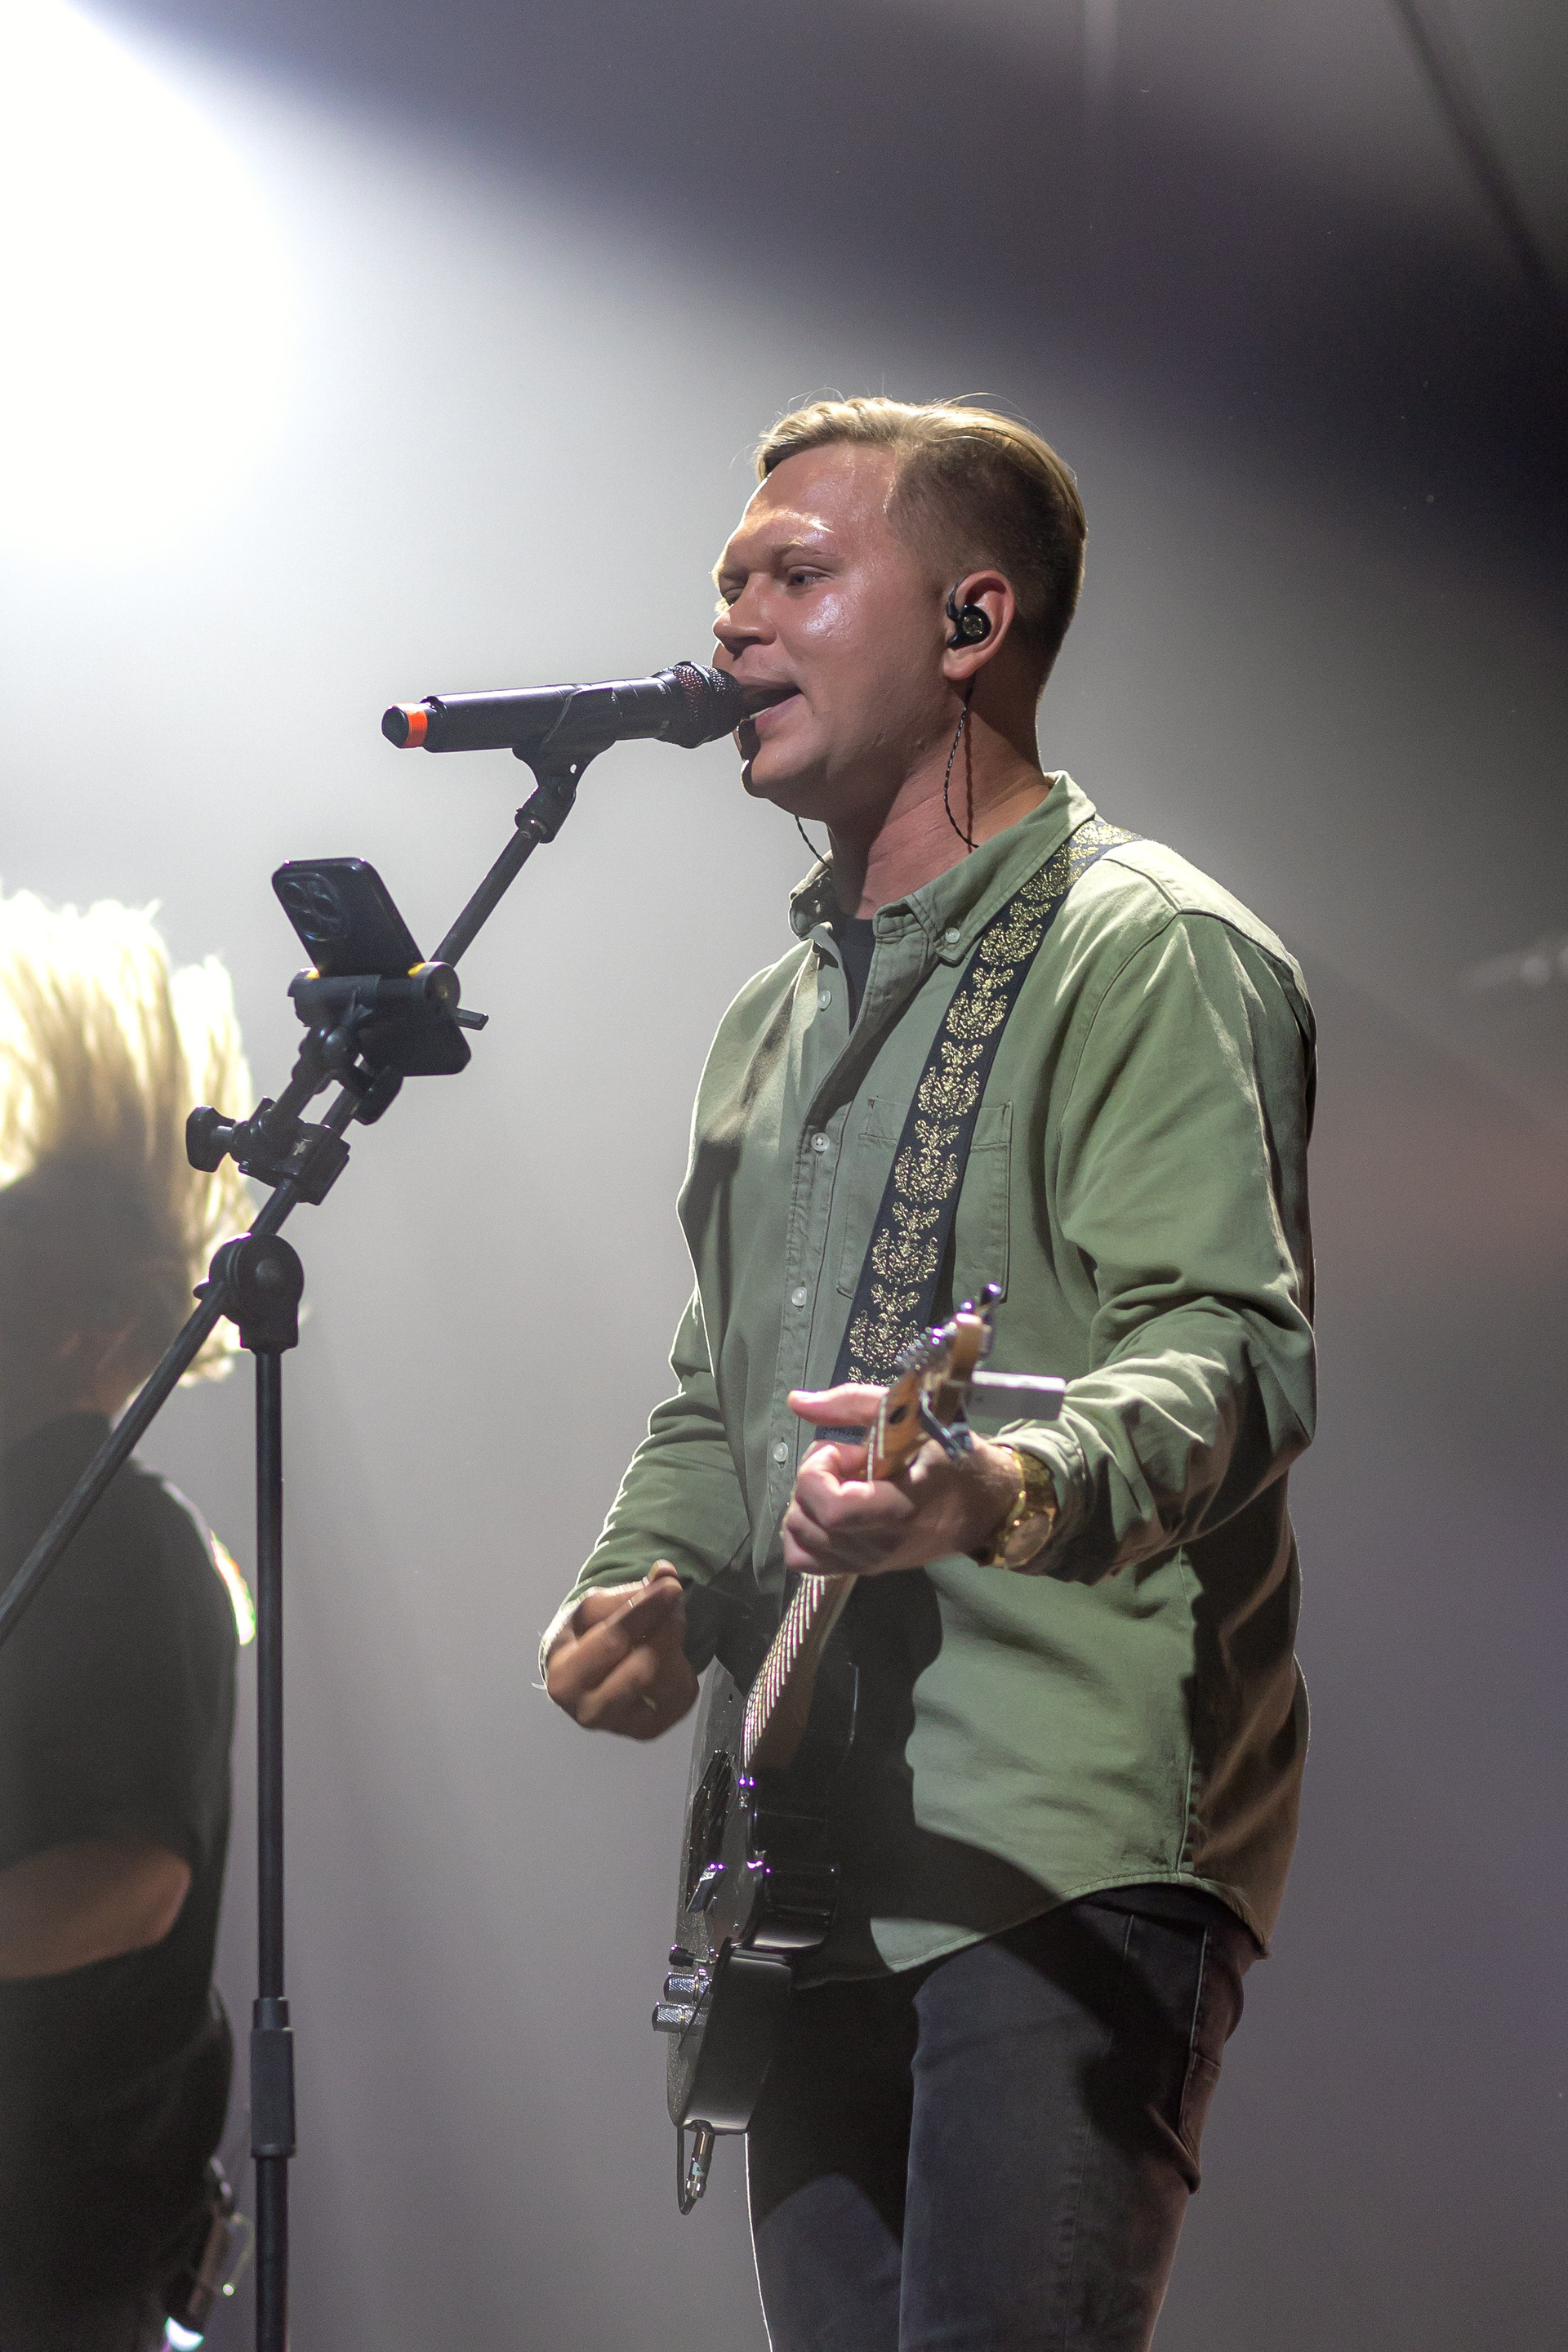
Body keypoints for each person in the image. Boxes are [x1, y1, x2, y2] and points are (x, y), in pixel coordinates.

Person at [542, 397, 1315, 2350]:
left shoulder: (1149, 951)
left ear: (973, 622)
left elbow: (1226, 1353)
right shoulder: (768, 1019)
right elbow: (717, 1391)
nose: (734, 622)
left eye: (797, 575)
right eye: (728, 581)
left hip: (1050, 1845)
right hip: (800, 1858)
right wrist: (645, 1586)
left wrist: (996, 1488)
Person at [0, 889, 253, 2351]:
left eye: (11, 1241)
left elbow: (133, 1877)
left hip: (49, 2263)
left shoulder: (120, 1544)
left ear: (89, 1322)